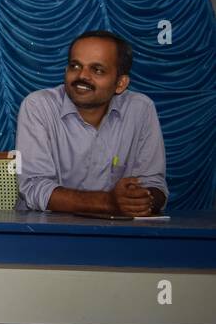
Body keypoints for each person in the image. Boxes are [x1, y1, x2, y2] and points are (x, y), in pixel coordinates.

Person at [15, 30, 167, 215]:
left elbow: (154, 184)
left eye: (97, 70)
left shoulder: (140, 109)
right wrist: (110, 203)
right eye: (75, 66)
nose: (82, 76)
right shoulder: (39, 106)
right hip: (47, 232)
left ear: (120, 83)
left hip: (119, 233)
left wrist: (140, 200)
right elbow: (34, 187)